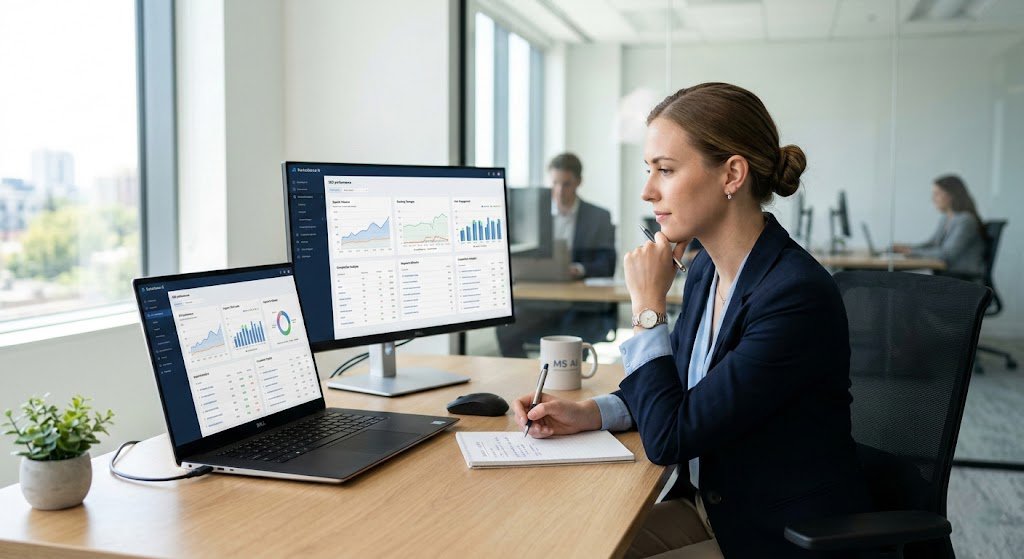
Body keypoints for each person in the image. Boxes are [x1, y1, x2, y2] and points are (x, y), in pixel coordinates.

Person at [513, 83, 870, 558]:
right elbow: (679, 386)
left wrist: (647, 309)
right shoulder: (705, 270)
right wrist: (592, 413)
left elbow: (670, 436)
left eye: (665, 170)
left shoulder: (793, 296)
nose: (647, 190)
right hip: (711, 506)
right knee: (564, 543)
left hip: (770, 536)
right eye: (649, 170)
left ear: (732, 175)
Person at [496, 153, 616, 358]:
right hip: (540, 303)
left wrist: (578, 269)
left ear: (578, 182)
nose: (559, 191)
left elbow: (607, 263)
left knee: (573, 336)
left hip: (580, 306)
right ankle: (527, 378)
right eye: (555, 183)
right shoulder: (533, 216)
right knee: (506, 328)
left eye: (566, 184)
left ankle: (565, 381)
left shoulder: (598, 216)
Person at [892, 174, 986, 276]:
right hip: (949, 275)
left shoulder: (966, 220)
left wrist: (911, 251)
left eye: (937, 194)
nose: (933, 199)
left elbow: (947, 254)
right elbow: (932, 243)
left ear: (951, 195)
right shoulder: (946, 218)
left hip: (963, 278)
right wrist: (906, 248)